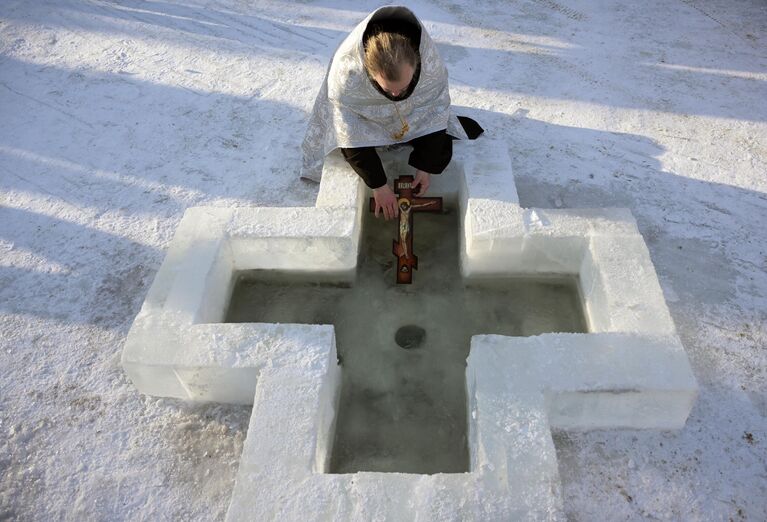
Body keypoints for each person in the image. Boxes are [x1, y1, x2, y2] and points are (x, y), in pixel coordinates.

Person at [300, 5, 482, 220]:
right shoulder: (348, 77)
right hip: (364, 113)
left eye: (404, 88)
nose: (396, 95)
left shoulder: (430, 68)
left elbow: (434, 113)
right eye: (387, 90)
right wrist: (378, 185)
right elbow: (349, 134)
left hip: (413, 110)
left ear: (416, 66)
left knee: (434, 138)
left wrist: (426, 167)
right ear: (370, 71)